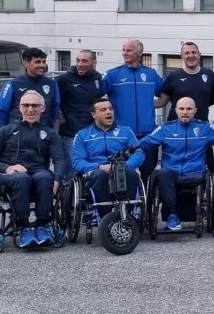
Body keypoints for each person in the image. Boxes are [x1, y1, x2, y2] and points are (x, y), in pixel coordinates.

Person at [139, 97, 214, 231]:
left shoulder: (205, 127)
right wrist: (127, 149)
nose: (185, 112)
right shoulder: (165, 128)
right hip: (171, 173)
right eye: (181, 109)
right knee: (161, 173)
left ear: (195, 110)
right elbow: (144, 143)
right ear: (176, 110)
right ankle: (172, 215)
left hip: (196, 172)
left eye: (189, 109)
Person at [0, 90, 65, 248]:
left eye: (35, 105)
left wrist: (58, 179)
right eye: (26, 105)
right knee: (22, 177)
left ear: (43, 108)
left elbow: (59, 159)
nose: (30, 109)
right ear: (20, 108)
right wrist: (7, 167)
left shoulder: (50, 133)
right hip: (11, 176)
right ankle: (25, 227)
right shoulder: (5, 131)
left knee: (45, 177)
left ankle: (41, 225)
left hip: (39, 173)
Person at [101, 38, 164, 183]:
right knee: (122, 174)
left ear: (140, 53)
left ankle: (145, 203)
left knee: (147, 174)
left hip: (147, 135)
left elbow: (166, 90)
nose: (124, 53)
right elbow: (95, 94)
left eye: (128, 50)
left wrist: (160, 102)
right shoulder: (112, 74)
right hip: (122, 135)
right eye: (123, 50)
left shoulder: (151, 74)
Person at [71, 98, 144, 221]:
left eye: (110, 109)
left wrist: (126, 165)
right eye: (103, 110)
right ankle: (104, 217)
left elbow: (138, 153)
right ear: (94, 115)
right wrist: (99, 166)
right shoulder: (83, 135)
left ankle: (129, 214)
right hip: (96, 170)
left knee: (131, 174)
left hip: (121, 167)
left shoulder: (125, 131)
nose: (109, 112)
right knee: (100, 175)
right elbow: (77, 161)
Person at [56, 49, 103, 180]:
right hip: (71, 134)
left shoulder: (97, 78)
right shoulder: (64, 79)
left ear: (94, 63)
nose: (80, 64)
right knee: (71, 174)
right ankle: (66, 199)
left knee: (91, 171)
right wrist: (57, 113)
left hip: (92, 134)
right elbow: (49, 99)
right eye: (77, 60)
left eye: (84, 61)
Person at [156, 41, 214, 122]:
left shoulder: (209, 74)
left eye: (193, 52)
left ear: (199, 55)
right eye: (187, 53)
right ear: (182, 56)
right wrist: (139, 104)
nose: (190, 55)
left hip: (201, 126)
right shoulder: (173, 76)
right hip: (176, 127)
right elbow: (161, 102)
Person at [0, 47, 60, 127]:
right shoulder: (12, 84)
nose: (42, 65)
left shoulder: (52, 84)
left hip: (43, 134)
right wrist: (11, 131)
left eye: (43, 62)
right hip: (19, 135)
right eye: (37, 62)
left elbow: (55, 110)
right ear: (26, 63)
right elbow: (1, 111)